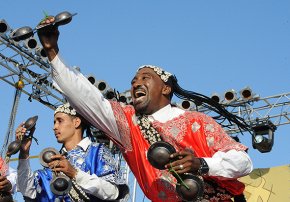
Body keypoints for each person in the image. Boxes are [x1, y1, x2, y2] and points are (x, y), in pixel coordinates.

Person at [37, 16, 253, 201]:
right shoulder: (126, 123)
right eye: (133, 80)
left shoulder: (197, 121)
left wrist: (201, 164)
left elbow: (243, 162)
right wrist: (52, 52)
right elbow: (86, 97)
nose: (136, 83)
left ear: (166, 88)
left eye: (146, 78)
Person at [16, 103, 128, 201]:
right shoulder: (54, 162)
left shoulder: (97, 151)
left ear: (76, 122)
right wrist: (23, 153)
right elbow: (28, 191)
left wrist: (74, 173)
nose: (54, 127)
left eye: (60, 121)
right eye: (54, 122)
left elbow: (113, 192)